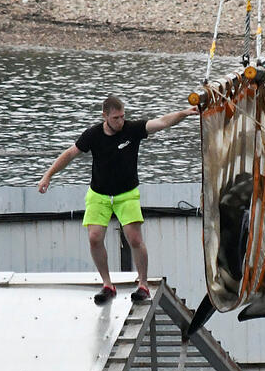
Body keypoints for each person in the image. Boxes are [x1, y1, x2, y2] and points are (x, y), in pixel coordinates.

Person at [38, 95, 198, 305]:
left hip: (126, 194)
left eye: (122, 116)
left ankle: (142, 285)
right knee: (94, 238)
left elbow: (162, 122)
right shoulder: (93, 135)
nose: (120, 121)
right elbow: (70, 154)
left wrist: (185, 113)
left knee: (134, 239)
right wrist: (48, 175)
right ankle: (107, 284)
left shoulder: (132, 130)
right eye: (115, 118)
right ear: (105, 116)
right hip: (99, 195)